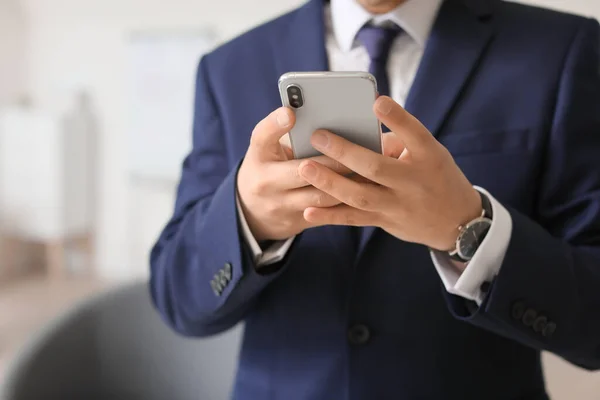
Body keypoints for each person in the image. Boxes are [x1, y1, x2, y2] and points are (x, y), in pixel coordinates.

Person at [150, 0, 600, 398]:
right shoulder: (229, 68)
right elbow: (178, 299)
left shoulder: (564, 50)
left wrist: (469, 229)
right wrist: (247, 218)